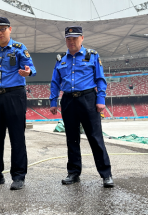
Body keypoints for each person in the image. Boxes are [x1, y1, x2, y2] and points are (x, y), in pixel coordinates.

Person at [49, 26, 114, 188]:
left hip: (88, 99)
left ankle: (106, 174)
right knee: (71, 138)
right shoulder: (61, 59)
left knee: (95, 137)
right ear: (65, 40)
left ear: (82, 38)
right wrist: (53, 101)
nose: (71, 41)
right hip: (68, 101)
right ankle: (73, 173)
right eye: (68, 39)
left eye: (75, 38)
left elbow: (100, 79)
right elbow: (55, 82)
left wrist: (100, 99)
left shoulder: (91, 55)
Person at [0, 17, 37, 190]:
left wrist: (28, 72)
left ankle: (18, 176)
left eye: (3, 29)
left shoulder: (19, 48)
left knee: (17, 137)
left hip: (15, 95)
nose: (0, 32)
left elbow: (32, 68)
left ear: (10, 29)